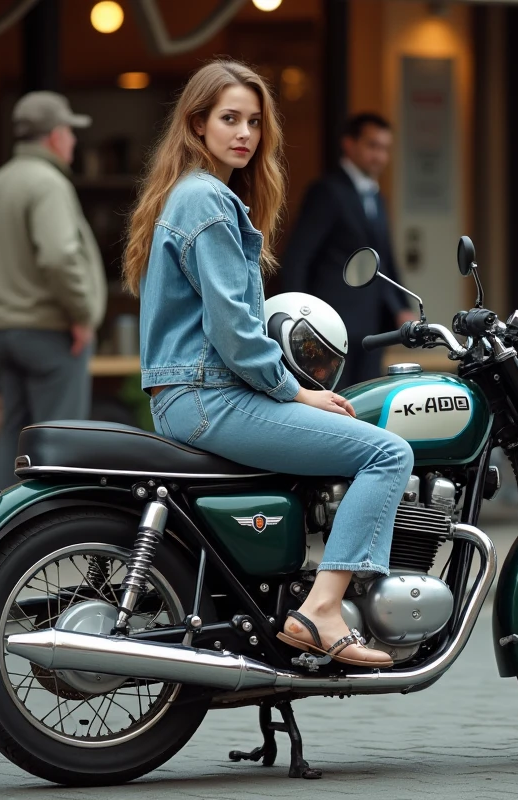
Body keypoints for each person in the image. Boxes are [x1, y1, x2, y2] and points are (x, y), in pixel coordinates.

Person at [123, 60, 414, 668]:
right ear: (197, 123)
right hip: (209, 397)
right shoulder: (206, 200)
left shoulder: (185, 194)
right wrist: (292, 390)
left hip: (188, 397)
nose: (244, 134)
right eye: (229, 119)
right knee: (387, 453)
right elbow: (234, 331)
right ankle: (323, 609)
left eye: (254, 121)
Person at [0, 91, 108, 489]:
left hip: (6, 332)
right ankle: (52, 535)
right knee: (60, 438)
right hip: (50, 331)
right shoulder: (48, 184)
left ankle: (2, 529)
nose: (74, 142)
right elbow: (59, 255)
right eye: (71, 133)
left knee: (14, 432)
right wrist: (81, 314)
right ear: (57, 135)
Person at [279, 113, 416, 389]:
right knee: (334, 401)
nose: (380, 156)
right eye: (372, 146)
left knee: (364, 401)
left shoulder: (377, 197)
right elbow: (298, 257)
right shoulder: (326, 192)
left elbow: (384, 259)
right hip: (330, 324)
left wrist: (402, 307)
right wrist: (298, 315)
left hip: (371, 326)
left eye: (385, 148)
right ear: (349, 144)